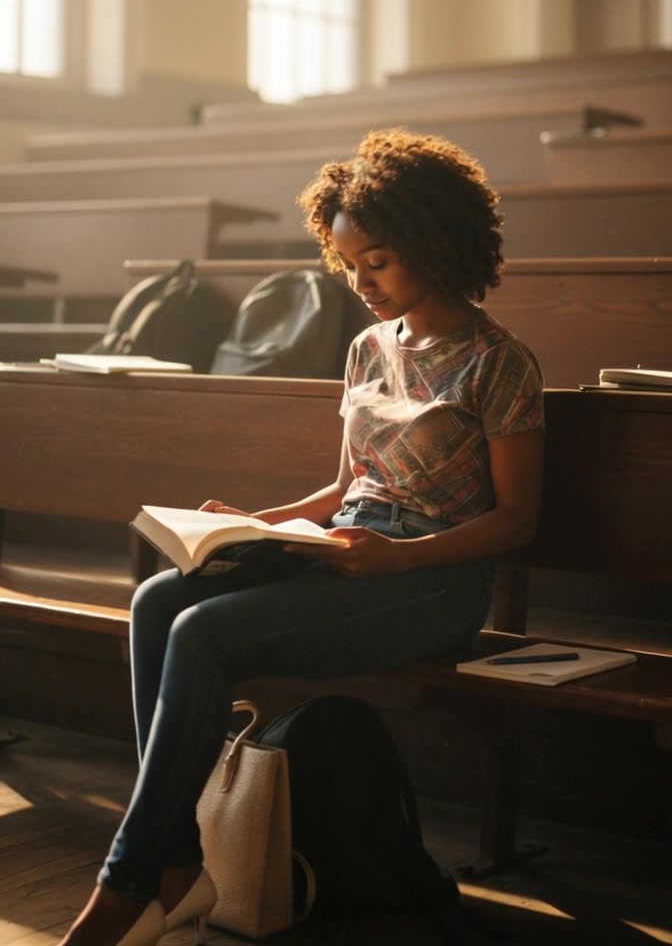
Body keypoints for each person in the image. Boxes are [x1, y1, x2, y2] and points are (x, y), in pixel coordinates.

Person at [58, 127, 545, 946]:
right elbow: (350, 486)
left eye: (379, 261)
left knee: (203, 634)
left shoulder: (498, 362)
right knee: (155, 602)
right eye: (350, 264)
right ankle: (175, 864)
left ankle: (130, 882)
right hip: (353, 551)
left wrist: (401, 555)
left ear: (434, 242)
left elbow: (515, 520)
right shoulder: (366, 349)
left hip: (437, 577)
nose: (362, 283)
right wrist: (256, 522)